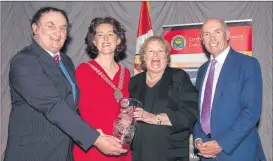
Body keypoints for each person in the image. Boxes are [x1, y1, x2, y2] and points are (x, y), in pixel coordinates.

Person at [4, 7, 126, 161]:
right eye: (51, 26)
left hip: (64, 153)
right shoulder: (24, 61)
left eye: (63, 28)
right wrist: (96, 139)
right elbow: (52, 105)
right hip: (34, 153)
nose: (58, 32)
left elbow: (73, 107)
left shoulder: (66, 62)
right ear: (35, 28)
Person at [193, 18, 266, 161]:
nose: (212, 38)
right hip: (207, 155)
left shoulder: (247, 64)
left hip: (237, 153)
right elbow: (199, 113)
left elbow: (251, 112)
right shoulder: (202, 71)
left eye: (217, 32)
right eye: (207, 34)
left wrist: (222, 144)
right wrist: (198, 140)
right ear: (202, 40)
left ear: (228, 35)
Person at [129, 36, 198, 161]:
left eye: (160, 51)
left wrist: (155, 118)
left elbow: (190, 113)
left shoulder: (179, 77)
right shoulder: (134, 82)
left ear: (167, 56)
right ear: (143, 57)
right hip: (139, 154)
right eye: (150, 51)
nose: (155, 55)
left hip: (170, 154)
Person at [73, 17, 132, 161]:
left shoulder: (127, 73)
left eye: (110, 34)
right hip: (93, 146)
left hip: (120, 147)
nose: (105, 38)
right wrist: (96, 138)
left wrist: (129, 116)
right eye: (99, 35)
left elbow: (126, 107)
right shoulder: (83, 71)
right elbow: (76, 112)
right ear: (93, 41)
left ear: (118, 40)